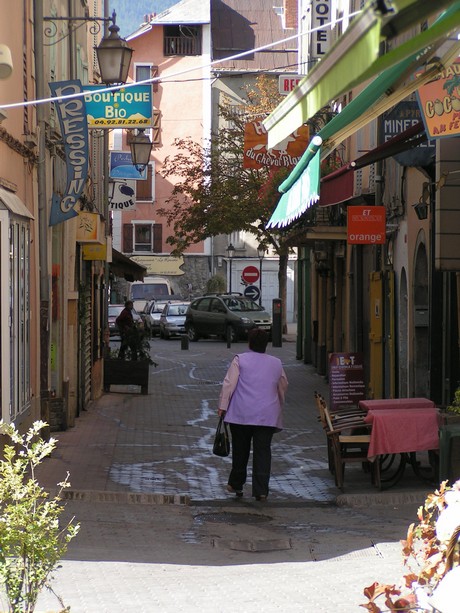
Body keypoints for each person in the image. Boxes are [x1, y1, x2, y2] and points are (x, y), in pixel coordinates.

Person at [217, 328, 288, 501]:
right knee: (263, 452)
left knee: (240, 450)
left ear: (249, 343)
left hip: (241, 413)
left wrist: (222, 406)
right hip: (267, 415)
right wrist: (279, 404)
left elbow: (229, 384)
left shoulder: (240, 360)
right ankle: (261, 490)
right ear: (266, 345)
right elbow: (283, 385)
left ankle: (236, 484)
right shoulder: (276, 363)